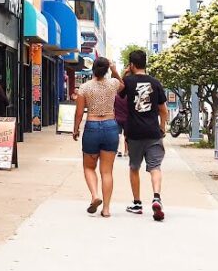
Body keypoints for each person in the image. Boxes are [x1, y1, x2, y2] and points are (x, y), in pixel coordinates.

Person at [119, 50, 168, 221]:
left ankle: (137, 203)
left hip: (134, 133)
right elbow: (163, 110)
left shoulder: (128, 81)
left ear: (131, 65)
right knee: (155, 167)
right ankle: (156, 197)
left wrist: (125, 74)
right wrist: (162, 127)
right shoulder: (155, 83)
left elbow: (119, 92)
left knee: (134, 167)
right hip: (153, 132)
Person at [72, 57, 123, 217]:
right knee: (107, 172)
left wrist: (75, 129)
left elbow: (79, 113)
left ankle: (95, 196)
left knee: (89, 167)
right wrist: (115, 70)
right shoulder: (113, 84)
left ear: (93, 69)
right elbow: (123, 85)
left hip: (92, 127)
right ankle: (106, 209)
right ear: (106, 70)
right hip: (110, 126)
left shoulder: (84, 88)